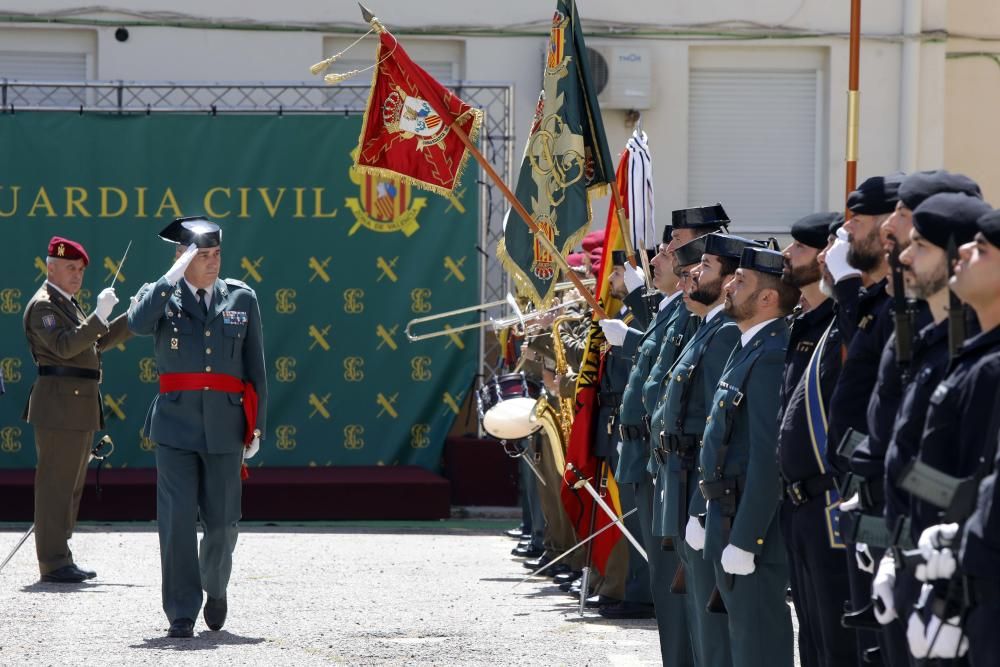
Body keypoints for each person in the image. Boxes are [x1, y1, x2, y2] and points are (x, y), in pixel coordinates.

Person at [128, 216, 267, 638]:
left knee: (224, 522)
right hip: (175, 426)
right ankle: (182, 611)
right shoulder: (161, 297)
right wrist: (168, 278)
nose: (212, 263)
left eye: (216, 254)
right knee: (177, 520)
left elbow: (256, 370)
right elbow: (135, 323)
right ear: (182, 257)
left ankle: (216, 587)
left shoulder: (241, 298)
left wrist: (255, 428)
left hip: (226, 425)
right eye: (202, 256)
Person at [697, 245, 800, 667]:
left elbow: (767, 457)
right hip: (726, 514)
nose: (729, 285)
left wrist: (746, 539)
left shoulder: (773, 354)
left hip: (748, 526)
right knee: (741, 643)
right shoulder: (748, 346)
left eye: (741, 281)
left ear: (767, 299)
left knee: (758, 645)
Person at [661, 232, 755, 667]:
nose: (693, 273)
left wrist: (700, 504)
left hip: (701, 484)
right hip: (683, 476)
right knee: (696, 605)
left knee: (709, 615)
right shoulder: (708, 328)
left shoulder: (721, 335)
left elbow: (723, 432)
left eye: (706, 267)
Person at [22, 236, 130, 583]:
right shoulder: (44, 306)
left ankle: (61, 556)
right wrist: (98, 315)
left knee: (70, 486)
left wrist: (133, 315)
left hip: (76, 405)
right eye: (70, 268)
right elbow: (66, 346)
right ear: (50, 266)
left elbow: (96, 342)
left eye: (81, 270)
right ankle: (53, 562)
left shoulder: (67, 304)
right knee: (56, 485)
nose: (77, 275)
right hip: (59, 406)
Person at [776, 212, 856, 667]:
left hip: (831, 500)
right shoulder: (803, 323)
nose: (790, 254)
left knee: (836, 638)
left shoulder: (839, 321)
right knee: (811, 635)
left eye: (803, 248)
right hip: (799, 503)